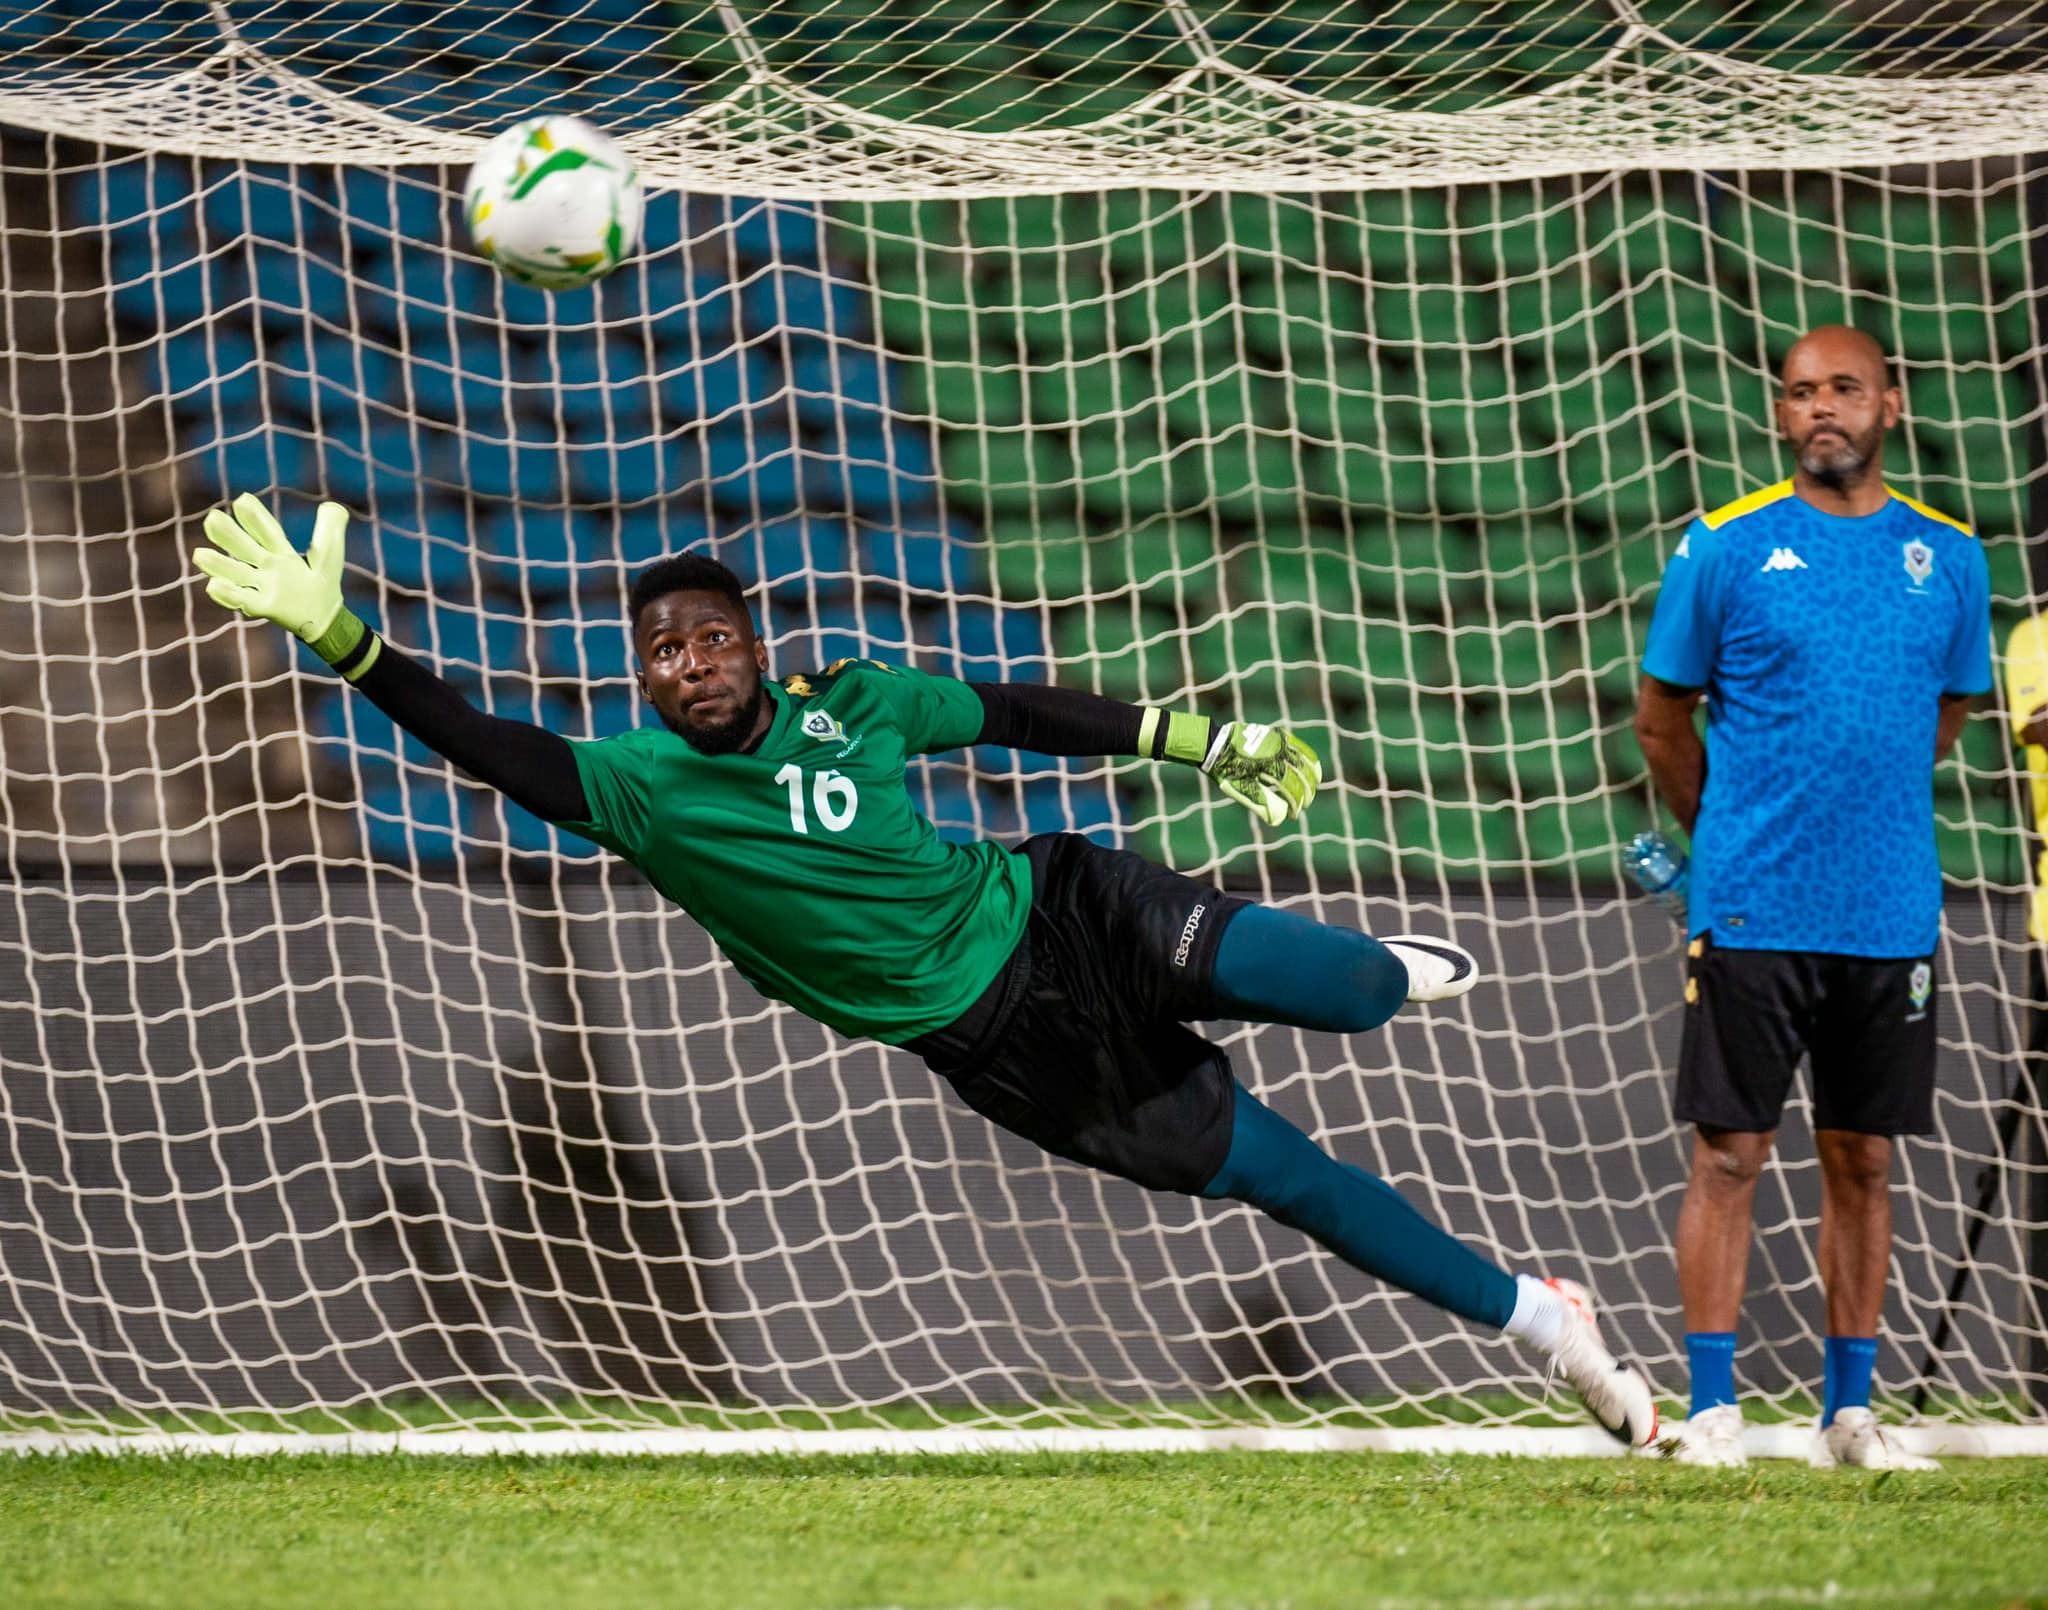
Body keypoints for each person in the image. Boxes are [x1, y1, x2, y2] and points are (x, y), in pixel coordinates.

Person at [192, 491, 1659, 1445]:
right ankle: (1545, 1324)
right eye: (664, 650)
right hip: (1006, 1049)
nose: (694, 660)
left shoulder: (856, 702)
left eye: (715, 636)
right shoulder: (634, 786)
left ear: (755, 646)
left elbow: (1014, 709)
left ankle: (1387, 973)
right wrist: (344, 641)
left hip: (1061, 904)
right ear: (639, 676)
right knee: (1296, 1185)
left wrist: (1196, 740)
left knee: (1348, 992)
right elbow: (490, 747)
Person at [1634, 325, 1992, 1470]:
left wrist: (1855, 814)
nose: (1820, 407)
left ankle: (1849, 1415)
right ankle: (1711, 1411)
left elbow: (1944, 712)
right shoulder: (1724, 545)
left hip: (1888, 909)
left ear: (1890, 400)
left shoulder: (1950, 556)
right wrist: (1730, 837)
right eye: (1799, 393)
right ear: (1779, 417)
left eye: (1842, 387)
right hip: (1748, 906)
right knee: (1728, 1152)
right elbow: (1659, 716)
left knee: (1865, 1160)